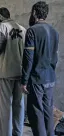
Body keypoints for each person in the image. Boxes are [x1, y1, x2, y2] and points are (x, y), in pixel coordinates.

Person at [21, 1, 59, 136]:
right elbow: (55, 57)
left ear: (35, 13)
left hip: (37, 79)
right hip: (50, 78)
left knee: (36, 112)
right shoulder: (54, 31)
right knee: (48, 110)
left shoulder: (32, 31)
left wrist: (24, 81)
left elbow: (28, 58)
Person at [0, 8, 26, 136]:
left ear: (0, 16)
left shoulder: (2, 26)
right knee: (19, 105)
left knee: (5, 107)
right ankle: (18, 132)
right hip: (21, 72)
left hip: (6, 71)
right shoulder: (23, 29)